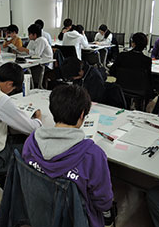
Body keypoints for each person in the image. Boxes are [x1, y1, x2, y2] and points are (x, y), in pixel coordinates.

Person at [22, 84, 113, 227]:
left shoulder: (31, 142)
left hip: (37, 212)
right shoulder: (93, 155)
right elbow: (104, 202)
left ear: (52, 110)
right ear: (82, 114)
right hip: (75, 220)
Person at [110, 32, 153, 99]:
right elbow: (148, 78)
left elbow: (112, 71)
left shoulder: (122, 56)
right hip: (140, 90)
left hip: (121, 87)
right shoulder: (147, 60)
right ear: (145, 45)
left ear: (133, 43)